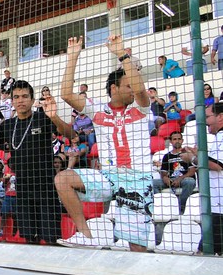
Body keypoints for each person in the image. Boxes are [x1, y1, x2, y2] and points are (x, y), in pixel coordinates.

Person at [56, 35, 154, 251]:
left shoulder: (140, 108)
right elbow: (65, 94)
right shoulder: (98, 110)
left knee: (137, 249)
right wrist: (73, 57)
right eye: (126, 86)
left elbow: (140, 90)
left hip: (137, 180)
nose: (133, 89)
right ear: (113, 89)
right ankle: (86, 235)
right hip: (108, 176)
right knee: (63, 179)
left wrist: (122, 54)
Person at [0, 80, 75, 244]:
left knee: (51, 240)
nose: (20, 100)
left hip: (46, 188)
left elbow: (71, 134)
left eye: (25, 96)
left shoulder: (43, 118)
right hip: (22, 190)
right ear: (11, 101)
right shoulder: (8, 125)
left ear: (33, 100)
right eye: (16, 97)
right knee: (29, 239)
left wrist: (54, 117)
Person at [182, 102, 223, 254]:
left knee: (204, 253)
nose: (205, 121)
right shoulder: (219, 137)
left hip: (220, 207)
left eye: (208, 117)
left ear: (220, 117)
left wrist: (193, 158)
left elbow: (217, 165)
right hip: (217, 205)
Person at [152, 131, 196, 214]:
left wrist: (180, 178)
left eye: (179, 139)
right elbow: (163, 172)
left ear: (182, 140)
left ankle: (180, 207)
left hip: (185, 178)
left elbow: (192, 171)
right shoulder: (167, 156)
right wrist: (165, 178)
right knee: (152, 183)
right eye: (174, 139)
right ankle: (160, 206)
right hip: (171, 179)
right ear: (171, 141)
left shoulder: (187, 154)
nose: (177, 141)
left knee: (190, 182)